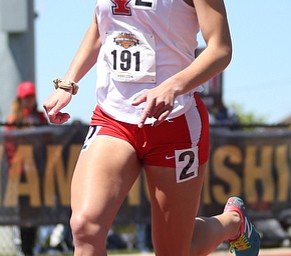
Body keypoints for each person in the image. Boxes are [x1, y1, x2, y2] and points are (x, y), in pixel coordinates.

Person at [43, 1, 260, 255]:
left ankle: (232, 223)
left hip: (175, 122)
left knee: (176, 250)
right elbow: (100, 24)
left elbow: (220, 49)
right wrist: (68, 83)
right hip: (113, 118)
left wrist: (174, 85)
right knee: (84, 227)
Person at [6, 81, 48, 256]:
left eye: (30, 97)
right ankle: (24, 248)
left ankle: (32, 247)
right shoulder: (14, 119)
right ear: (20, 99)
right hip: (21, 173)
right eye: (25, 98)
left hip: (38, 171)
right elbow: (8, 145)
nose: (28, 101)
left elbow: (49, 140)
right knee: (24, 212)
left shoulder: (40, 117)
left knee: (35, 211)